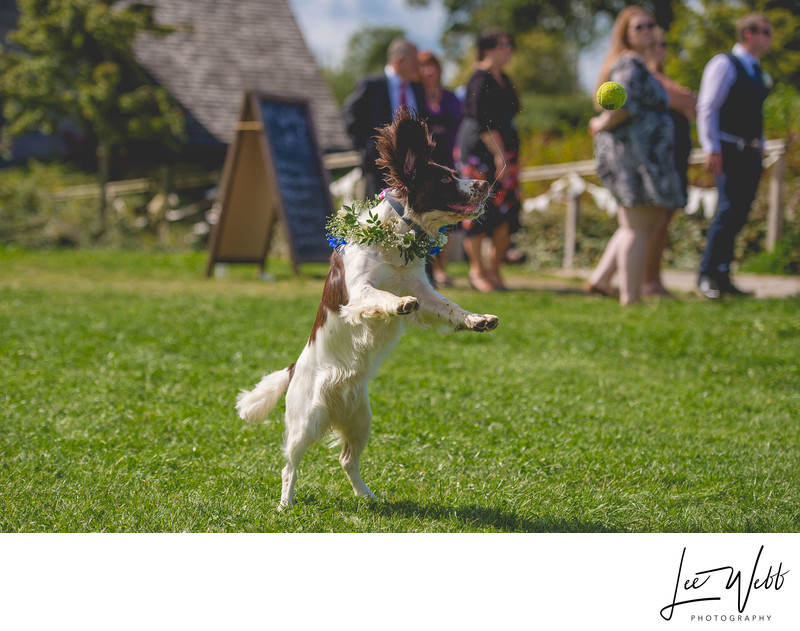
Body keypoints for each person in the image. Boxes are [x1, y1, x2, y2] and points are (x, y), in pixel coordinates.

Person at [586, 7, 685, 305]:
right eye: (639, 26)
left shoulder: (642, 64)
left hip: (646, 156)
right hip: (634, 158)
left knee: (642, 222)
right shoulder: (629, 63)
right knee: (637, 226)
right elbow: (621, 105)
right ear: (626, 34)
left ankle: (602, 280)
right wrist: (600, 123)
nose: (647, 30)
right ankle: (632, 299)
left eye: (650, 25)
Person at [696, 14, 773, 299]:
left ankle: (723, 274)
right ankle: (706, 274)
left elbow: (755, 113)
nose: (770, 38)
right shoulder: (724, 64)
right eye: (766, 32)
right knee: (727, 211)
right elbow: (708, 107)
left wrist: (760, 144)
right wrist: (712, 147)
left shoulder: (755, 69)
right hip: (728, 149)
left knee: (740, 213)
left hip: (751, 150)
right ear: (749, 34)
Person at [456, 29, 520, 292]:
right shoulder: (479, 79)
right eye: (505, 44)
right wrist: (499, 155)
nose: (510, 50)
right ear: (489, 48)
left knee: (505, 212)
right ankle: (477, 270)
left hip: (505, 152)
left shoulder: (504, 78)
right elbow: (483, 122)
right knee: (477, 211)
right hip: (482, 152)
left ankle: (494, 270)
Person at [642, 27, 697, 297]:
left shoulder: (663, 78)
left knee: (665, 220)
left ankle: (655, 277)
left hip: (677, 153)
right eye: (655, 44)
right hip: (659, 156)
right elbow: (686, 100)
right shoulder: (649, 78)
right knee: (655, 220)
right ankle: (647, 280)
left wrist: (685, 99)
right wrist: (684, 98)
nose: (660, 48)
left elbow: (692, 106)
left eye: (664, 43)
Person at [343, 37, 428, 198]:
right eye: (414, 61)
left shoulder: (417, 89)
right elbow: (349, 116)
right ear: (399, 60)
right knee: (378, 220)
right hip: (379, 169)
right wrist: (365, 150)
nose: (419, 66)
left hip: (412, 171)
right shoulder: (372, 85)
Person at [417, 49, 463, 287]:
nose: (429, 70)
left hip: (448, 161)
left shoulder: (450, 98)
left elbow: (459, 126)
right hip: (425, 166)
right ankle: (424, 268)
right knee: (426, 218)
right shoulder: (414, 96)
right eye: (424, 66)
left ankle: (442, 268)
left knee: (447, 218)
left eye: (432, 65)